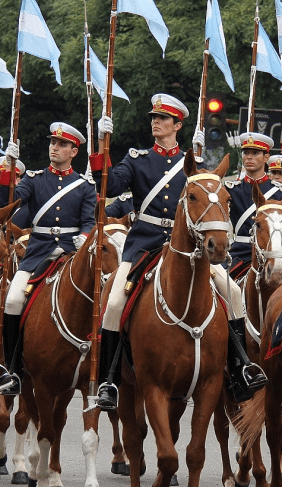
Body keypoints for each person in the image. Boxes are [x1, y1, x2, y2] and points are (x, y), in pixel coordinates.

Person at [90, 93, 204, 410]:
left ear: (178, 125)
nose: (156, 122)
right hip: (144, 243)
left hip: (186, 247)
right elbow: (110, 187)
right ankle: (108, 380)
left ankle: (237, 368)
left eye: (163, 118)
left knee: (230, 292)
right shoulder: (138, 159)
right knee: (113, 302)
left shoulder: (195, 163)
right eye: (153, 117)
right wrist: (102, 146)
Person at [0, 123, 96, 395]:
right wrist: (8, 170)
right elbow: (8, 203)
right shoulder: (33, 179)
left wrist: (85, 237)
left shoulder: (84, 185)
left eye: (62, 145)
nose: (55, 148)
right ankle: (12, 368)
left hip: (71, 254)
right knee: (14, 299)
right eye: (53, 143)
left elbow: (89, 220)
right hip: (38, 252)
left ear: (74, 151)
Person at [212, 131, 279, 401]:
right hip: (238, 256)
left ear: (266, 157)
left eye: (255, 153)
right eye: (246, 153)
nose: (249, 157)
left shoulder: (280, 192)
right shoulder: (229, 189)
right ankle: (233, 361)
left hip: (272, 257)